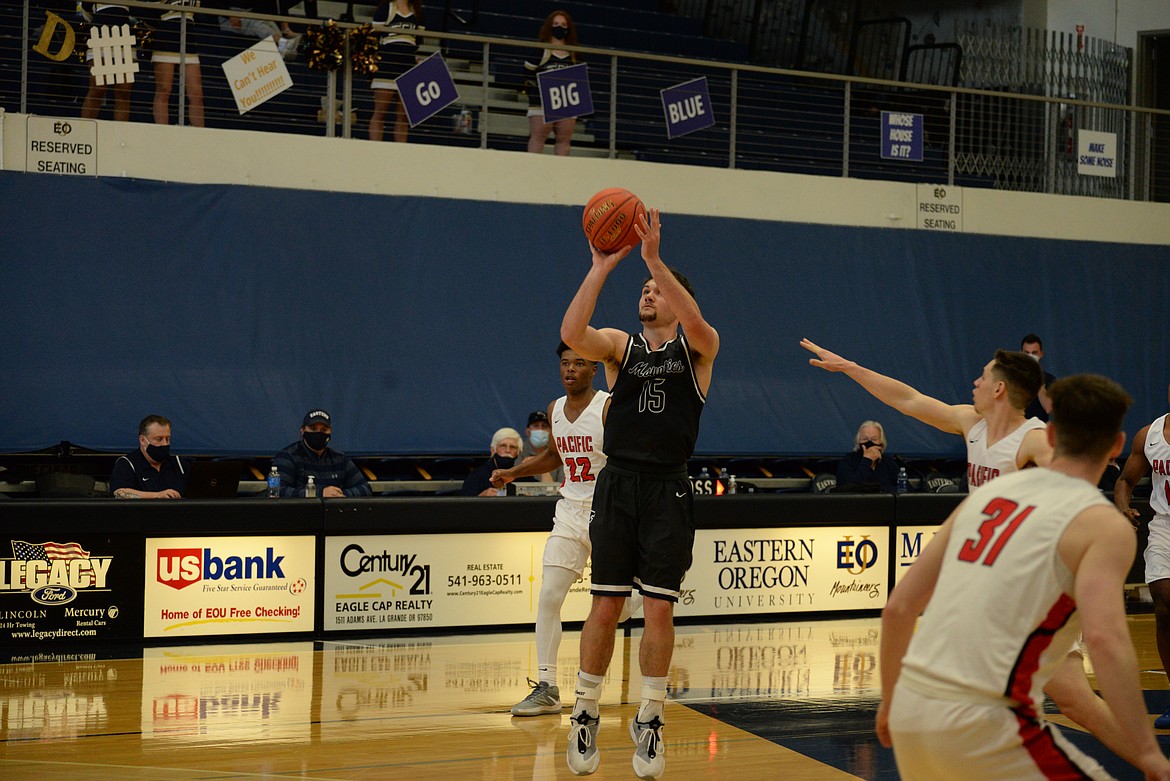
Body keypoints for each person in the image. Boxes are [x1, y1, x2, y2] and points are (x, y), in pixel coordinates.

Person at [877, 374, 1170, 781]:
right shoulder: (1101, 525)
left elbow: (898, 607)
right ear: (1118, 445)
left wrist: (890, 702)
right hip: (984, 720)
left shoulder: (988, 495)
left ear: (1048, 434)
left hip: (912, 711)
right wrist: (1147, 753)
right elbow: (1105, 639)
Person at [561, 207, 719, 779]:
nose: (648, 293)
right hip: (619, 483)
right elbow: (572, 334)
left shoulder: (698, 350)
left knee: (658, 607)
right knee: (604, 604)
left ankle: (650, 718)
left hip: (668, 489)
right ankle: (584, 712)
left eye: (658, 290)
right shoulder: (620, 349)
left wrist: (655, 259)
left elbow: (701, 326)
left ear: (678, 302)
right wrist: (601, 268)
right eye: (646, 288)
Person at [492, 342, 644, 717]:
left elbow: (633, 455)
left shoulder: (607, 407)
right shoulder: (555, 409)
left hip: (608, 513)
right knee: (548, 596)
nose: (570, 369)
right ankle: (547, 687)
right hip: (569, 512)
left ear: (594, 369)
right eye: (565, 363)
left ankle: (644, 597)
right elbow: (554, 457)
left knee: (618, 610)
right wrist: (514, 472)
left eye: (579, 363)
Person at [801, 340, 1051, 488]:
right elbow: (908, 399)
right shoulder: (971, 422)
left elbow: (1081, 493)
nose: (976, 383)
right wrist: (849, 368)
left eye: (983, 377)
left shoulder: (1034, 439)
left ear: (999, 389)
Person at [1114, 382, 1170, 728]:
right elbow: (1125, 481)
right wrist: (1123, 507)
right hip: (1164, 524)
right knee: (1163, 603)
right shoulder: (1148, 435)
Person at [272, 409, 372, 498]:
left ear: (330, 431)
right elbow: (277, 491)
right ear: (302, 430)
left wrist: (340, 494)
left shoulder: (339, 458)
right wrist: (318, 494)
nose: (318, 433)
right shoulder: (288, 456)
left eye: (324, 430)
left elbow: (365, 489)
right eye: (313, 429)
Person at [525, 10, 580, 156]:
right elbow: (527, 72)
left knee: (564, 139)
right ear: (549, 26)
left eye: (563, 25)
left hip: (566, 100)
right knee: (538, 137)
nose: (560, 27)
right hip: (542, 100)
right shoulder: (541, 50)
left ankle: (561, 173)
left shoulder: (574, 54)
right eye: (556, 24)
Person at [369, 0, 424, 143]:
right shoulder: (386, 8)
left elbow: (418, 40)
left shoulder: (417, 11)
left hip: (407, 67)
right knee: (381, 112)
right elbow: (373, 37)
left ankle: (401, 152)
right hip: (387, 65)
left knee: (403, 117)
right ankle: (374, 149)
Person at [151, 0, 205, 126]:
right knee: (164, 89)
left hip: (189, 36)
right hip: (166, 34)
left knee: (197, 93)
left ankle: (200, 136)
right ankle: (163, 134)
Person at [109, 414, 187, 498]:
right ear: (142, 440)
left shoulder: (179, 464)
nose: (164, 444)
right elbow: (119, 492)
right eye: (159, 439)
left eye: (167, 439)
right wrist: (157, 495)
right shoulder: (127, 464)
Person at [80, 3, 134, 121]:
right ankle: (85, 131)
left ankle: (120, 137)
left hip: (124, 34)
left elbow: (136, 10)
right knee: (98, 88)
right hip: (99, 33)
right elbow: (86, 13)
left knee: (123, 90)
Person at [835, 420, 900, 493]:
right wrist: (867, 460)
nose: (869, 442)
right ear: (858, 441)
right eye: (865, 439)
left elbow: (905, 488)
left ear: (881, 443)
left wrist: (879, 490)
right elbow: (848, 488)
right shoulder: (848, 460)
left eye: (874, 439)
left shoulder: (888, 462)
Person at [460, 427, 522, 496]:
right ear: (493, 450)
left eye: (512, 447)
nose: (508, 450)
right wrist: (481, 497)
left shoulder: (524, 474)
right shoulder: (478, 475)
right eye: (503, 446)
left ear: (518, 452)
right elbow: (463, 503)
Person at [518, 409, 562, 484]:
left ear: (550, 431)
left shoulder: (557, 452)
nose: (540, 429)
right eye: (536, 426)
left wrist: (542, 469)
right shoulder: (519, 451)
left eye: (544, 426)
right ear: (528, 431)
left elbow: (561, 486)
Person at [1022, 333, 1057, 421]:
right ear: (1021, 354)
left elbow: (1048, 408)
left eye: (1034, 353)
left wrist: (1038, 381)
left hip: (1039, 429)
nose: (1030, 356)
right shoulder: (1012, 378)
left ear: (1041, 354)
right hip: (1018, 430)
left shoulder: (1049, 380)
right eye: (1026, 353)